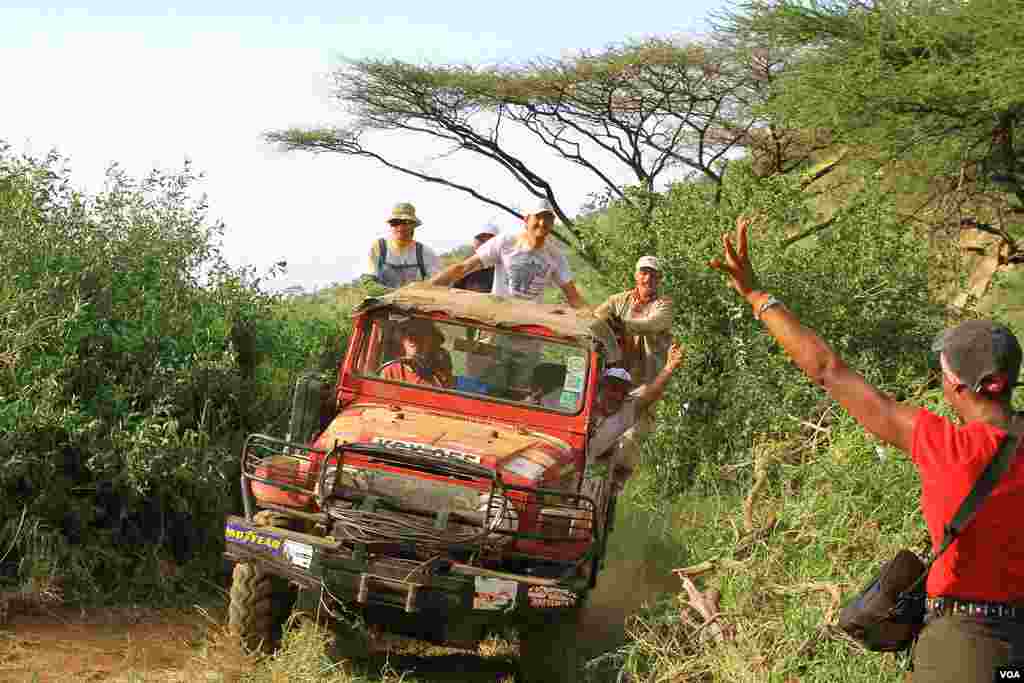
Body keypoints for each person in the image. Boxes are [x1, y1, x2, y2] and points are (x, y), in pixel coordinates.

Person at [710, 215, 1024, 683]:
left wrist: (757, 296)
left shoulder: (946, 445)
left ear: (961, 386)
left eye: (943, 370)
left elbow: (828, 371)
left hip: (963, 646)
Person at [595, 255, 675, 473]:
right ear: (636, 274)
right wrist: (603, 324)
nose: (647, 278)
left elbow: (652, 324)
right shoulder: (617, 300)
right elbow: (594, 320)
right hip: (612, 379)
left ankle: (616, 485)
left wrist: (620, 324)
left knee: (630, 438)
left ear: (659, 279)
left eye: (653, 274)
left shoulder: (664, 306)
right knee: (596, 431)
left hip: (645, 383)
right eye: (643, 272)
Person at [430, 199, 586, 308]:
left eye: (548, 218)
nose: (543, 223)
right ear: (526, 219)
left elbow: (573, 297)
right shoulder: (506, 241)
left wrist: (593, 320)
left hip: (530, 330)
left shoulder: (555, 256)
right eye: (538, 217)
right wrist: (426, 287)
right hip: (496, 322)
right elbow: (463, 268)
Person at [363, 202, 441, 288]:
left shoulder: (425, 252)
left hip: (414, 299)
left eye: (405, 222)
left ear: (413, 225)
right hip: (383, 299)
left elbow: (437, 284)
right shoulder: (378, 247)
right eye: (395, 222)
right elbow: (368, 283)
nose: (400, 227)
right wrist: (395, 294)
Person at [379, 319, 454, 388]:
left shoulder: (439, 376)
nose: (412, 340)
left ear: (430, 342)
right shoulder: (391, 371)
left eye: (420, 335)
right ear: (402, 340)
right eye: (409, 335)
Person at [453, 224, 500, 293]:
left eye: (490, 240)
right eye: (481, 239)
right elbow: (452, 290)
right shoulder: (465, 265)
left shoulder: (504, 266)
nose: (485, 244)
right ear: (474, 241)